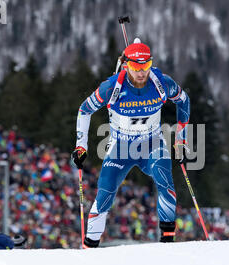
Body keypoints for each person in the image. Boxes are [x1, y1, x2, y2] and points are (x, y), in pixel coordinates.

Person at [71, 38, 191, 248]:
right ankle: (90, 245)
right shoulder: (111, 87)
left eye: (146, 66)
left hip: (152, 143)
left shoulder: (161, 83)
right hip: (120, 147)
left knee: (165, 181)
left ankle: (168, 244)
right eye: (136, 66)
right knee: (105, 191)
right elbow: (84, 110)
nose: (142, 72)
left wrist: (180, 140)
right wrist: (81, 146)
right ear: (126, 65)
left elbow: (183, 100)